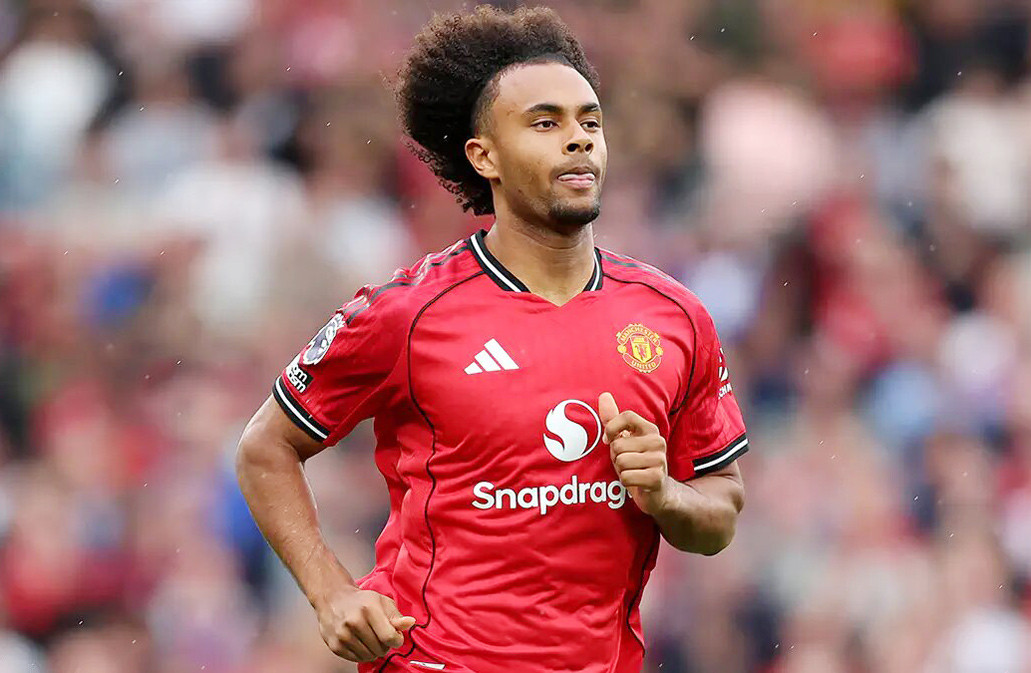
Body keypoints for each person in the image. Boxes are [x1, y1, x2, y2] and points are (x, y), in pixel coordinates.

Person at [236, 6, 748, 672]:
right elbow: (266, 448)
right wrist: (330, 591)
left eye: (590, 122)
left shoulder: (673, 316)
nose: (578, 140)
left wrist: (665, 495)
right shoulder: (407, 314)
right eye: (545, 123)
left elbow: (719, 516)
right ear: (484, 155)